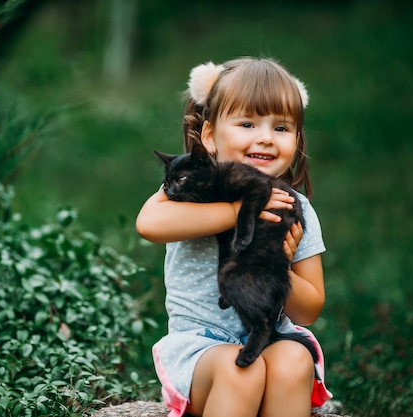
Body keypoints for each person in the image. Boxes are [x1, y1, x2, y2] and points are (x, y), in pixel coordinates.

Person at [136, 57, 333, 417]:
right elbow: (149, 223)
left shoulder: (291, 206)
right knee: (241, 371)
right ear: (209, 136)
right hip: (203, 350)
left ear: (297, 140)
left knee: (294, 361)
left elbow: (309, 309)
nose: (265, 138)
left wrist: (279, 269)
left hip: (269, 336)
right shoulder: (192, 186)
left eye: (281, 128)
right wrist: (237, 211)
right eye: (247, 123)